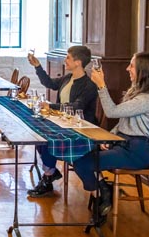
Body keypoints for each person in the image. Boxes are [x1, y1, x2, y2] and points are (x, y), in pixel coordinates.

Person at [73, 51, 149, 225]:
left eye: (131, 65)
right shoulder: (138, 94)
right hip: (124, 145)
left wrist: (102, 86)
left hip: (137, 152)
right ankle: (104, 192)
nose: (127, 69)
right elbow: (124, 123)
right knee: (80, 153)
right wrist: (109, 139)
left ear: (144, 71)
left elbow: (112, 112)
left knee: (82, 162)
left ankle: (102, 196)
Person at [26, 45, 98, 197]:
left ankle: (48, 176)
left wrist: (51, 106)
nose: (65, 60)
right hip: (63, 124)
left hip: (80, 130)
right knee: (38, 134)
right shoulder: (68, 78)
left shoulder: (89, 85)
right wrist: (38, 66)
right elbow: (49, 83)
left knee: (47, 140)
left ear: (78, 62)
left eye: (68, 58)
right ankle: (50, 172)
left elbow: (76, 106)